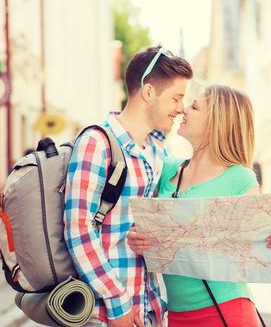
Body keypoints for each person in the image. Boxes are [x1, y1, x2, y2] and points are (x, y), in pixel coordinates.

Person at [127, 85, 271, 327]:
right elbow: (148, 231)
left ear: (217, 122)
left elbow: (255, 251)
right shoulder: (167, 168)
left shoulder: (240, 179)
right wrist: (137, 239)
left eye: (194, 107)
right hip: (175, 314)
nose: (183, 109)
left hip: (226, 312)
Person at [64, 45, 193, 327]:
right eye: (176, 98)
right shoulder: (97, 143)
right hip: (106, 314)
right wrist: (117, 301)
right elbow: (78, 230)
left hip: (149, 308)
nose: (181, 108)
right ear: (148, 92)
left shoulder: (157, 150)